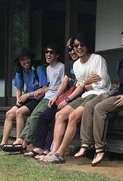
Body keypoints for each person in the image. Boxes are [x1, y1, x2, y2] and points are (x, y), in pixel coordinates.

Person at [42, 33, 110, 164]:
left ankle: (60, 153)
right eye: (76, 45)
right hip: (84, 95)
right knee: (59, 115)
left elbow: (102, 84)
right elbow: (80, 86)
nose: (79, 48)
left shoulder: (97, 59)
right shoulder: (76, 65)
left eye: (81, 45)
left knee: (73, 116)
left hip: (99, 95)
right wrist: (85, 84)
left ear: (87, 46)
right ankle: (53, 151)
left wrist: (85, 84)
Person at [75, 24, 123, 166]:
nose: (122, 35)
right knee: (90, 105)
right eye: (122, 33)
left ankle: (100, 148)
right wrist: (110, 92)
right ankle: (86, 143)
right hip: (117, 92)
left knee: (100, 108)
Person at [25, 39, 79, 158]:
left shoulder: (65, 66)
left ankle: (49, 148)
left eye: (51, 52)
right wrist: (55, 97)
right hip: (60, 97)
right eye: (70, 49)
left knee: (56, 117)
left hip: (71, 98)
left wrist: (63, 98)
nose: (73, 51)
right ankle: (39, 146)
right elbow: (63, 83)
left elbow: (68, 86)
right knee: (43, 116)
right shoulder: (69, 65)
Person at [0, 47, 47, 151]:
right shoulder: (20, 72)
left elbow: (44, 88)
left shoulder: (38, 69)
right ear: (19, 62)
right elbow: (18, 88)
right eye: (22, 60)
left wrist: (28, 94)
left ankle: (18, 142)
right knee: (9, 114)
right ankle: (3, 143)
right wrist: (18, 99)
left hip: (38, 98)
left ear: (30, 58)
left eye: (27, 59)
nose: (26, 62)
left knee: (19, 112)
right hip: (27, 98)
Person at [14, 43, 64, 151]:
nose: (48, 54)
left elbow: (60, 85)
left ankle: (24, 142)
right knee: (31, 117)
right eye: (46, 52)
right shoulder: (48, 68)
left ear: (57, 55)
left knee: (35, 117)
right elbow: (47, 88)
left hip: (52, 98)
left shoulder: (61, 67)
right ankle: (20, 139)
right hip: (45, 96)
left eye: (51, 52)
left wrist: (56, 96)